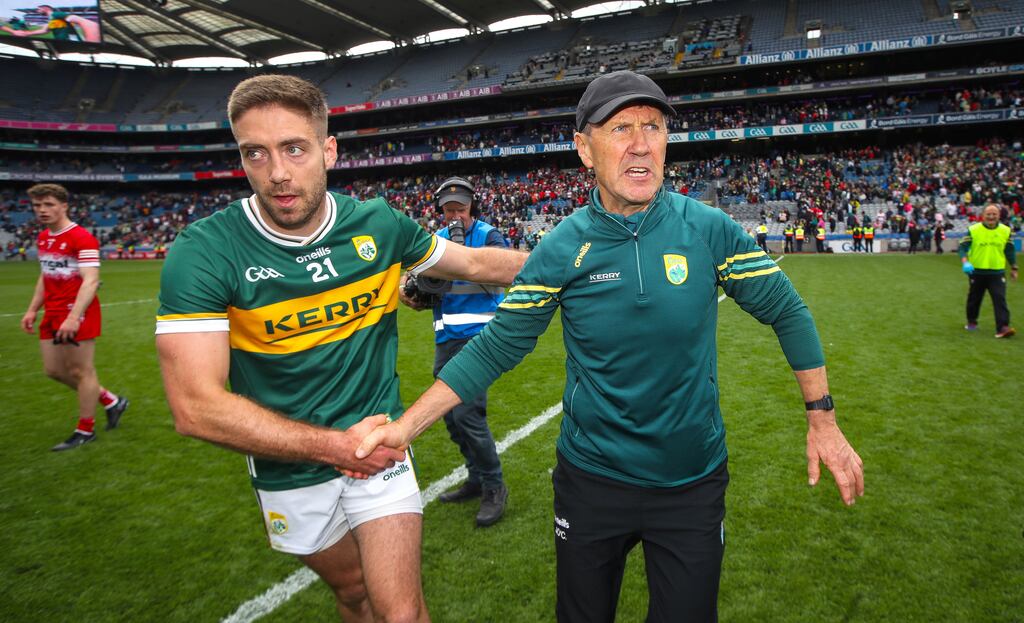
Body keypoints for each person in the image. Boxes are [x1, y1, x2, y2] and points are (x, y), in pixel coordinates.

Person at [355, 70, 864, 623]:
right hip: (591, 482)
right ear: (584, 149)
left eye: (653, 126)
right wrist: (407, 427)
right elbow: (498, 345)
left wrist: (823, 419)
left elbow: (787, 310)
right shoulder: (562, 247)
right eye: (621, 128)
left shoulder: (708, 229)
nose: (641, 143)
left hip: (691, 482)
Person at [154, 74, 525, 622]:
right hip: (289, 466)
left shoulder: (378, 224)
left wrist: (570, 261)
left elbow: (473, 262)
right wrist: (336, 448)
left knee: (401, 612)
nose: (277, 172)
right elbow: (194, 406)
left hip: (379, 444)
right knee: (353, 593)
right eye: (256, 153)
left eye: (294, 148)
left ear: (328, 150)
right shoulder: (205, 252)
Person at [399, 177, 509, 527]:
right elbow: (420, 283)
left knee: (467, 415)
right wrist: (414, 292)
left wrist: (465, 262)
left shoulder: (488, 236)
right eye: (448, 210)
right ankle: (476, 477)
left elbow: (504, 274)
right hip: (446, 338)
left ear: (472, 206)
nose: (455, 216)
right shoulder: (437, 241)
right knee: (449, 416)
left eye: (460, 209)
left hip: (479, 337)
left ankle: (494, 485)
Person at [20, 184, 129, 451]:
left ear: (64, 206)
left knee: (82, 371)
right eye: (37, 205)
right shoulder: (44, 237)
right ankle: (111, 400)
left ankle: (85, 430)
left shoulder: (82, 238)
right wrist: (32, 309)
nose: (42, 210)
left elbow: (91, 281)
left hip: (77, 311)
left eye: (48, 204)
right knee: (54, 370)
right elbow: (45, 276)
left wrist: (73, 316)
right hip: (53, 311)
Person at [960, 204, 1017, 338]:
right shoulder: (974, 230)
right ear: (983, 216)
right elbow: (962, 247)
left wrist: (1014, 267)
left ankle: (1003, 327)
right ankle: (972, 321)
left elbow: (1009, 250)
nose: (991, 217)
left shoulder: (1005, 231)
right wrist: (965, 261)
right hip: (976, 272)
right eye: (988, 214)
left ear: (999, 216)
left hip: (997, 272)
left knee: (999, 298)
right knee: (974, 299)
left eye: (994, 214)